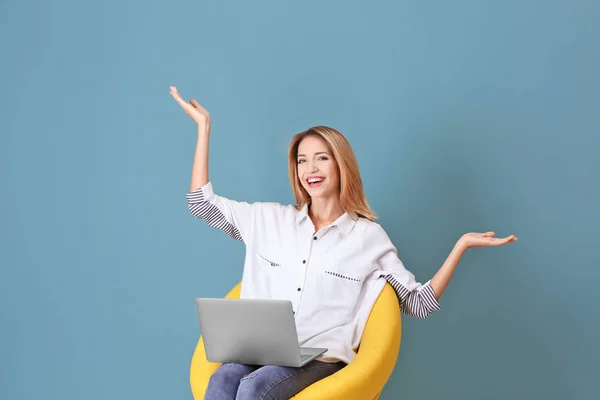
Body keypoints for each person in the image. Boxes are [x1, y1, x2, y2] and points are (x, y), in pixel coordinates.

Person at [170, 86, 518, 400]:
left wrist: (460, 247)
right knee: (222, 380)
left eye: (321, 157)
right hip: (264, 351)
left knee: (255, 389)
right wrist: (204, 129)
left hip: (320, 357)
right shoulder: (269, 219)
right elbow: (201, 203)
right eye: (302, 160)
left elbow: (418, 303)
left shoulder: (367, 237)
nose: (311, 168)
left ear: (340, 164)